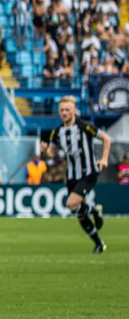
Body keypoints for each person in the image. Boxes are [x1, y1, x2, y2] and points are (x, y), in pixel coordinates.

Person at [40, 96, 109, 253]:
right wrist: (45, 152)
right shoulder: (56, 132)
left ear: (74, 111)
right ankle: (99, 244)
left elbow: (106, 139)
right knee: (80, 213)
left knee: (71, 204)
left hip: (88, 172)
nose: (64, 113)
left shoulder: (85, 127)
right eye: (62, 110)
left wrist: (104, 159)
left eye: (67, 110)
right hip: (71, 175)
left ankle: (95, 210)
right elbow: (51, 154)